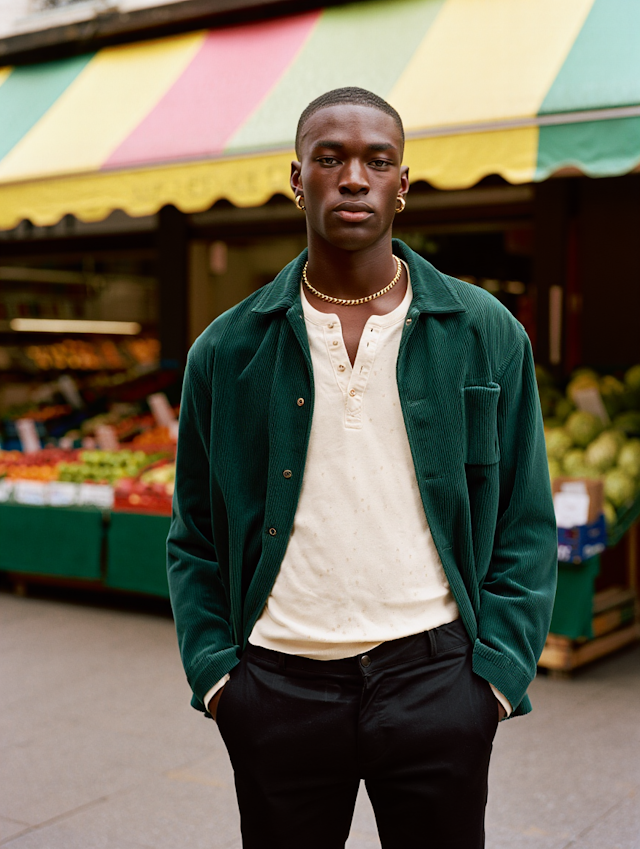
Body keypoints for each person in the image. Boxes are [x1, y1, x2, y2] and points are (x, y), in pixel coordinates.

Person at [167, 87, 557, 849]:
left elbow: (525, 518)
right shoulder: (226, 349)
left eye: (377, 161)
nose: (353, 178)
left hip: (439, 679)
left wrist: (496, 679)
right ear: (297, 178)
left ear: (401, 185)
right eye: (330, 158)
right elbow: (194, 533)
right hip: (276, 684)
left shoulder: (484, 333)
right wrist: (218, 679)